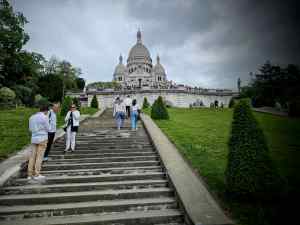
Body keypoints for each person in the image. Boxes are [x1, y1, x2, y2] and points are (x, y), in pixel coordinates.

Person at [27, 104, 49, 181]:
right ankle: (37, 174)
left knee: (32, 156)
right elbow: (48, 128)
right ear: (46, 110)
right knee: (39, 157)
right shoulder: (45, 117)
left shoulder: (31, 117)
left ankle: (29, 174)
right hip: (42, 138)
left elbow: (30, 129)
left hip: (34, 138)